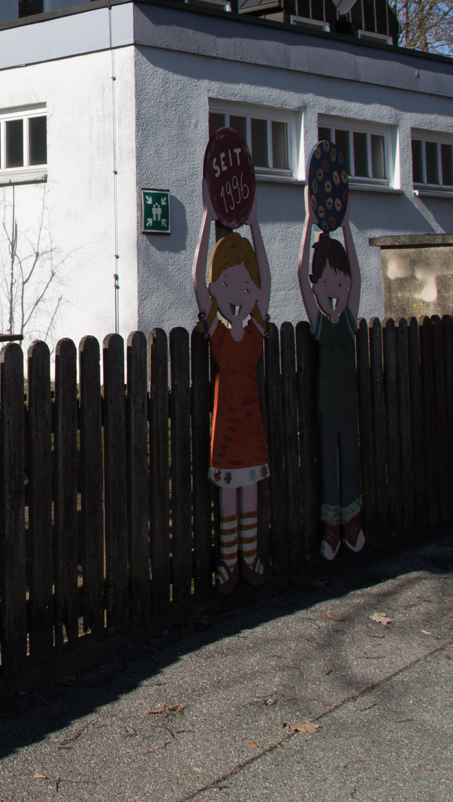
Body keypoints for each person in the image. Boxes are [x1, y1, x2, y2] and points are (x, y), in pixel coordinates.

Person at [192, 176, 272, 594]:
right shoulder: (217, 331)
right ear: (215, 288)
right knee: (228, 492)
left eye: (244, 285)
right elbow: (197, 282)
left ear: (253, 289)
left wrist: (255, 226)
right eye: (226, 284)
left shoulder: (256, 329)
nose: (237, 293)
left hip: (250, 425)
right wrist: (207, 220)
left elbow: (268, 283)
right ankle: (228, 560)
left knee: (250, 491)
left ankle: (250, 555)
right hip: (225, 425)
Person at [298, 209, 365, 560]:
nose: (334, 291)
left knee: (349, 461)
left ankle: (351, 521)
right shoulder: (321, 325)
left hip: (348, 406)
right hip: (327, 407)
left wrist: (347, 226)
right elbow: (300, 273)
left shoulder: (349, 322)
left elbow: (356, 272)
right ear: (315, 287)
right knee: (329, 464)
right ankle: (331, 526)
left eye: (340, 284)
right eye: (325, 284)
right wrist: (309, 223)